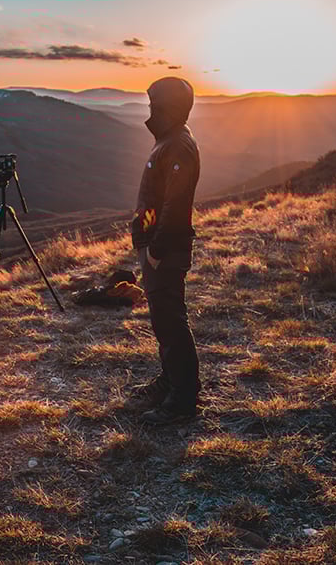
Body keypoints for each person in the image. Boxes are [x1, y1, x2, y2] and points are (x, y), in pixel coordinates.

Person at [130, 76, 201, 425]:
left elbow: (175, 203)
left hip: (166, 251)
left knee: (171, 322)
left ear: (169, 109)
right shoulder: (169, 141)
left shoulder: (179, 146)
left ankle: (183, 400)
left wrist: (156, 249)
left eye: (154, 106)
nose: (149, 112)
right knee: (163, 320)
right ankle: (170, 381)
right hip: (157, 249)